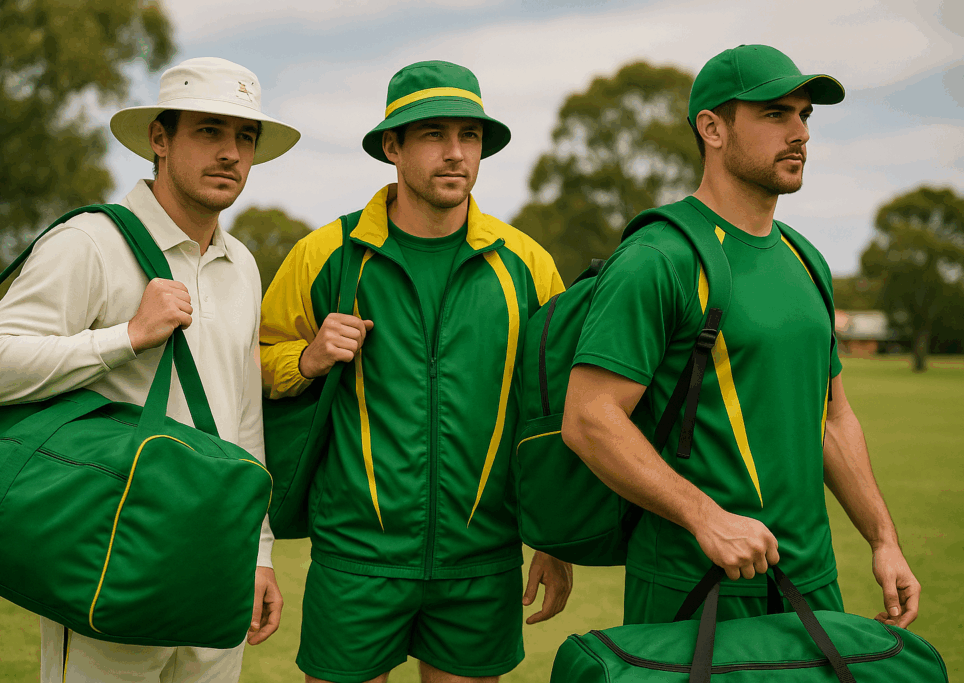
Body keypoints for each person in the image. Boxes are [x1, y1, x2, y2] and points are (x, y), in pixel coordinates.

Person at [0, 56, 299, 683]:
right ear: (159, 138)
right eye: (208, 131)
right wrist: (127, 337)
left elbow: (243, 419)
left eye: (244, 137)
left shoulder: (245, 264)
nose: (230, 153)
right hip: (111, 550)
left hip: (217, 555)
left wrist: (258, 552)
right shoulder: (91, 242)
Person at [562, 44, 921, 626]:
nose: (799, 132)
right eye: (775, 115)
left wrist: (883, 539)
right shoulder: (658, 256)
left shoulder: (808, 261)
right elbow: (589, 418)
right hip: (693, 586)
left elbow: (832, 419)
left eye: (805, 115)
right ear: (712, 128)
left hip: (811, 585)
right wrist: (705, 517)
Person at [260, 60, 572, 683]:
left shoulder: (527, 264)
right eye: (433, 134)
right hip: (356, 561)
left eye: (470, 136)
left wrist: (557, 539)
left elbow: (555, 411)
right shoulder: (325, 254)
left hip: (482, 563)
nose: (455, 153)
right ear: (392, 147)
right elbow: (253, 368)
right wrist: (306, 357)